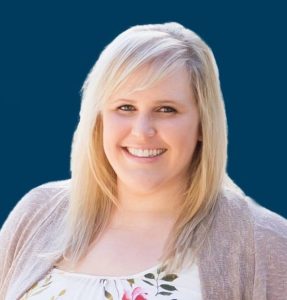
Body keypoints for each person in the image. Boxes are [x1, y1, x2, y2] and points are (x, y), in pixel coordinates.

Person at [0, 22, 287, 300]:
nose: (142, 131)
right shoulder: (37, 213)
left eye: (166, 109)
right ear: (98, 119)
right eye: (125, 107)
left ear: (203, 124)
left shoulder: (263, 242)